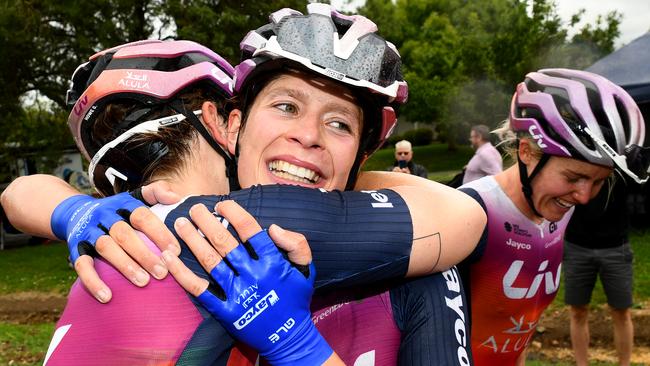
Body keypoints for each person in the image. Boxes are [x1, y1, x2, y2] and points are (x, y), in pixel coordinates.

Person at [2, 5, 484, 365]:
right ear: (229, 127)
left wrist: (73, 209)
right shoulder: (170, 230)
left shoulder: (140, 227)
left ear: (361, 155)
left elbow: (18, 193)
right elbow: (463, 216)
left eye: (339, 124)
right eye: (286, 107)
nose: (309, 135)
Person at [458, 68, 648, 365]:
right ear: (526, 151)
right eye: (574, 177)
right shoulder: (470, 211)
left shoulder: (557, 211)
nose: (584, 197)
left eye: (599, 181)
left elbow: (518, 325)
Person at [563, 176, 635, 366]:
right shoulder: (575, 154)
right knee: (578, 311)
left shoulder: (621, 157)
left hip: (616, 247)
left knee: (621, 312)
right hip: (576, 245)